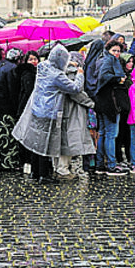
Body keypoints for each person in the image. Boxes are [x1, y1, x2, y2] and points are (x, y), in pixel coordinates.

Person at [12, 44, 85, 184]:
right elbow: (75, 88)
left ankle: (35, 172)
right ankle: (44, 175)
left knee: (35, 143)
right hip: (48, 113)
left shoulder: (42, 67)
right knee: (45, 145)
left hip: (36, 110)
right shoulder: (57, 76)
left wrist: (69, 62)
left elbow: (51, 63)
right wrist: (80, 74)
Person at [56, 51, 95, 179]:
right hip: (71, 111)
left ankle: (61, 167)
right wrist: (90, 103)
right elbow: (76, 92)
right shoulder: (73, 73)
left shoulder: (60, 72)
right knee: (68, 140)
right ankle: (63, 169)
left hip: (62, 109)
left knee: (63, 139)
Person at [93, 40, 128, 176]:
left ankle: (100, 164)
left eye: (119, 51)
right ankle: (112, 166)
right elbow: (104, 77)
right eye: (114, 50)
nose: (117, 54)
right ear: (108, 50)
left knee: (103, 133)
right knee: (111, 134)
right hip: (110, 103)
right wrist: (118, 79)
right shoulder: (109, 60)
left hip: (102, 101)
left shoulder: (101, 59)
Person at [0, 47, 20, 171]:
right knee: (7, 137)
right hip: (7, 108)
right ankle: (8, 162)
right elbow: (12, 91)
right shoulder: (12, 69)